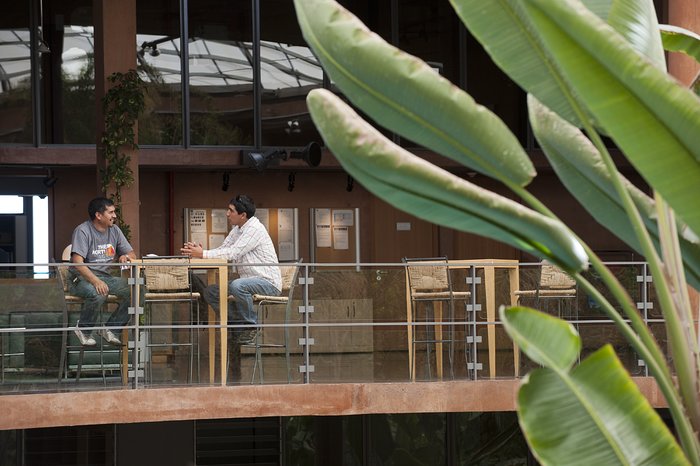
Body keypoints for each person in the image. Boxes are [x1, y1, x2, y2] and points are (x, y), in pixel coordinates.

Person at [181, 194, 281, 345]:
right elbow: (224, 250)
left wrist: (203, 254)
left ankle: (250, 326)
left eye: (231, 210)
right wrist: (202, 254)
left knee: (237, 285)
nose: (227, 214)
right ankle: (238, 325)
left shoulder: (254, 229)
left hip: (268, 283)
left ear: (243, 215)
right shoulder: (237, 229)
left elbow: (234, 253)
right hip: (248, 283)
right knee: (210, 292)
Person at [69, 197, 136, 346]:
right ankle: (83, 330)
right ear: (98, 215)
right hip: (80, 278)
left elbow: (132, 255)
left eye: (114, 212)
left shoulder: (115, 230)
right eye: (111, 212)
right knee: (99, 292)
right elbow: (78, 263)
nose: (115, 216)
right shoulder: (82, 231)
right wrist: (96, 281)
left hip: (105, 277)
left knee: (137, 290)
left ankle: (111, 329)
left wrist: (125, 256)